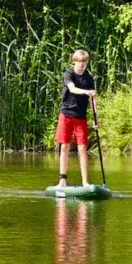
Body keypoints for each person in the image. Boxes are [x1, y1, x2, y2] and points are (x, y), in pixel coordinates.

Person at [55, 49, 96, 189]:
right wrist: (86, 92)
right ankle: (62, 180)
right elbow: (72, 89)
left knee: (83, 148)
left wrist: (96, 119)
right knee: (65, 146)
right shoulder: (69, 74)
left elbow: (93, 98)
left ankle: (85, 182)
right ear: (74, 61)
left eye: (84, 62)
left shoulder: (89, 78)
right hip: (66, 114)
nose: (81, 64)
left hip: (80, 117)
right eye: (79, 61)